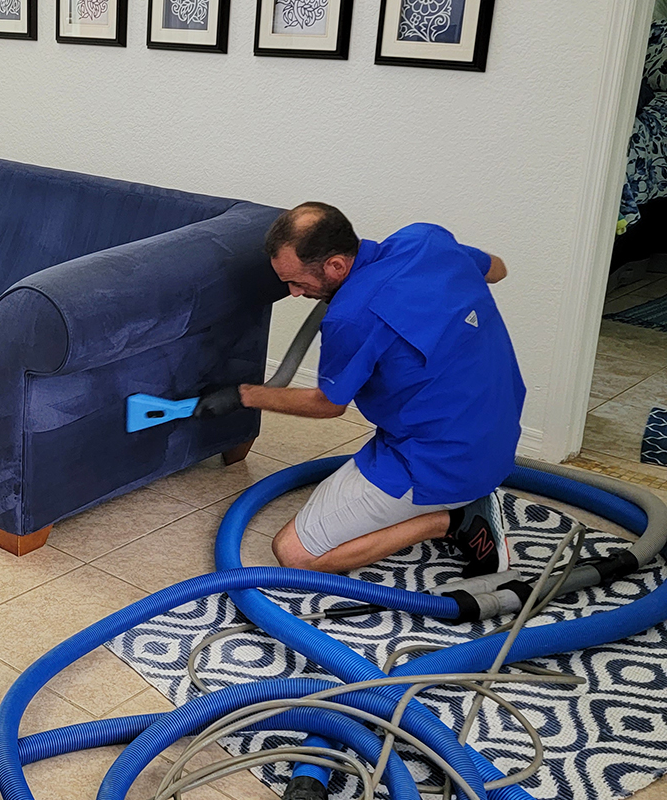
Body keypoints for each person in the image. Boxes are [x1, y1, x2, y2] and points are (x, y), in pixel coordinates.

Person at [194, 202, 525, 576]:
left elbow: (328, 404)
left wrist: (243, 396)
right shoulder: (425, 240)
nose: (295, 293)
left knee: (295, 554)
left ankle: (456, 520)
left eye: (298, 281)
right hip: (498, 436)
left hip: (439, 459)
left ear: (335, 265)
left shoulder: (351, 317)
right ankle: (458, 496)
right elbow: (497, 269)